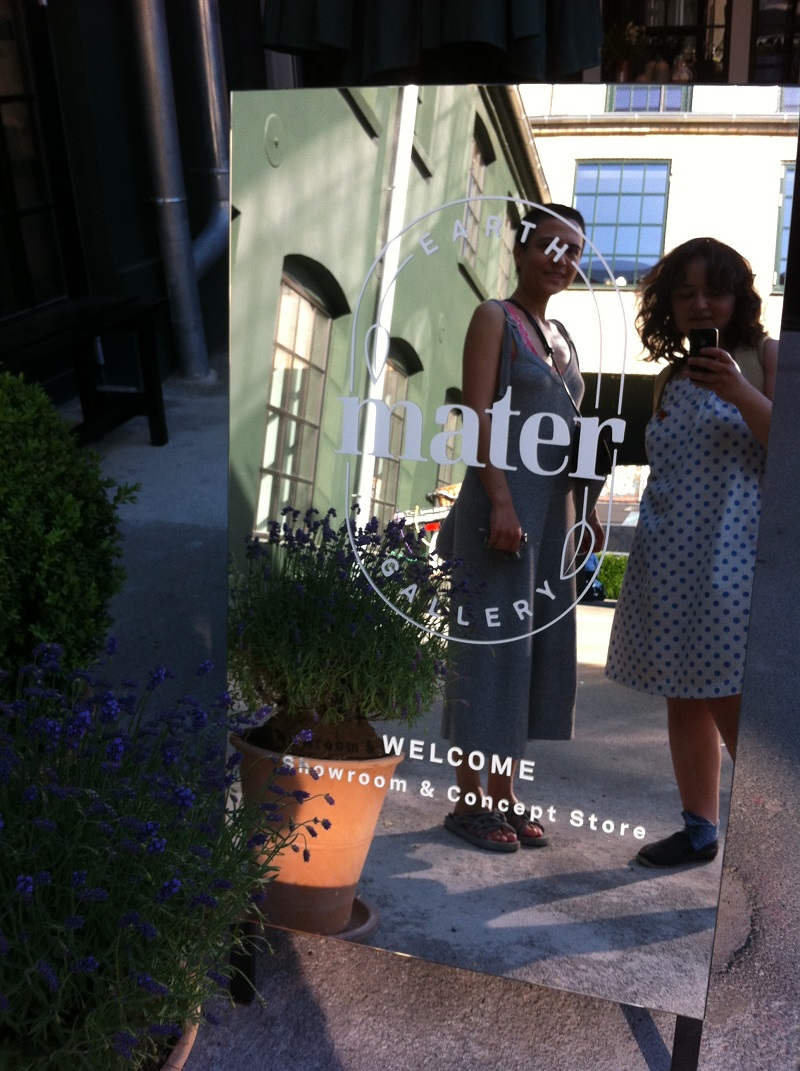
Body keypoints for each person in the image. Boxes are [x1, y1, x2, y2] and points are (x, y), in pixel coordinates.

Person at [605, 236, 777, 867]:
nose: (700, 304)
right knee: (685, 694)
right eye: (685, 294)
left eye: (714, 290)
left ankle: (777, 851)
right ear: (668, 307)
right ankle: (699, 830)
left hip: (736, 562)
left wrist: (741, 393)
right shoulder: (670, 380)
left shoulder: (766, 358)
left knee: (738, 705)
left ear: (738, 297)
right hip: (670, 560)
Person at [437, 204, 603, 852]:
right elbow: (477, 414)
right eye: (550, 245)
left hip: (548, 522)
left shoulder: (562, 338)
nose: (561, 260)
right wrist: (501, 498)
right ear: (523, 248)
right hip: (497, 514)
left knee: (529, 658)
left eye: (574, 250)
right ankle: (469, 801)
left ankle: (502, 796)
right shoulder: (494, 318)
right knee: (489, 652)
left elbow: (570, 439)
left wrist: (584, 509)